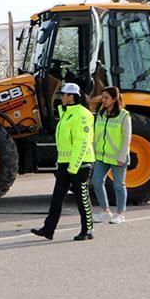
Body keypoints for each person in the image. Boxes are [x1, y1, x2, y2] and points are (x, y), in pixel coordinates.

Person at [32, 82, 95, 241]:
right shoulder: (66, 113)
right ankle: (48, 229)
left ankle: (87, 229)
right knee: (57, 198)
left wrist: (74, 166)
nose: (61, 97)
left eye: (64, 94)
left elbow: (82, 142)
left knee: (82, 198)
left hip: (80, 164)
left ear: (72, 97)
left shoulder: (82, 114)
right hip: (65, 162)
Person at [91, 86, 132, 224]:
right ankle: (105, 211)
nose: (103, 100)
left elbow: (127, 138)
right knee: (96, 182)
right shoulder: (100, 114)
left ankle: (120, 214)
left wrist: (121, 157)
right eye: (102, 97)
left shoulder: (124, 115)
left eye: (106, 98)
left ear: (114, 99)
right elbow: (96, 134)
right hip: (101, 156)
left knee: (119, 186)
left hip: (117, 157)